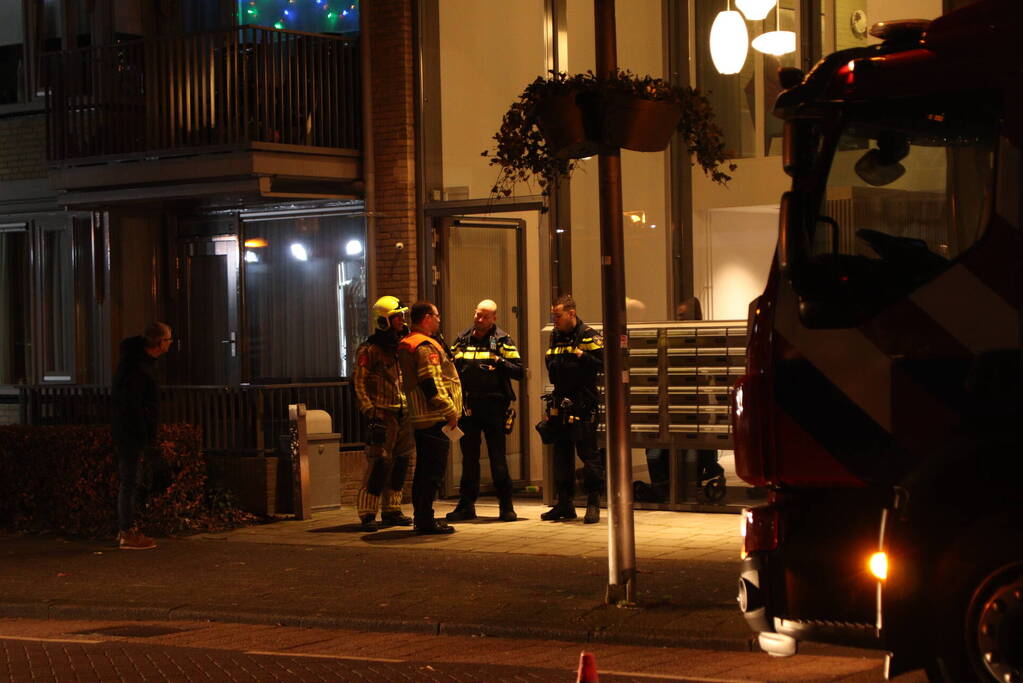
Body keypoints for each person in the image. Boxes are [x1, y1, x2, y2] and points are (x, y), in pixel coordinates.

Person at [446, 299, 523, 523]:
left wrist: (499, 361)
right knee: (469, 458)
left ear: (494, 318)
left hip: (494, 406)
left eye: (485, 316)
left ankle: (506, 506)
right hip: (468, 406)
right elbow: (448, 366)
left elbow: (518, 370)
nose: (479, 320)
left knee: (498, 457)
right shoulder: (462, 339)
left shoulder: (502, 340)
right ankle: (466, 505)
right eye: (477, 315)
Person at [397, 301, 463, 535]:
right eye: (436, 315)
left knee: (425, 470)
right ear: (426, 317)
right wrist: (450, 410)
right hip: (433, 417)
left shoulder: (410, 344)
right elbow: (431, 383)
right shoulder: (424, 346)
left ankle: (422, 518)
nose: (439, 319)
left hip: (423, 417)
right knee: (431, 472)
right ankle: (425, 520)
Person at [353, 296, 415, 532]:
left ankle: (393, 510)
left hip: (404, 412)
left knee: (401, 463)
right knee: (379, 463)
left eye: (402, 316)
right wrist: (370, 410)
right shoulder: (370, 349)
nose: (401, 321)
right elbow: (358, 382)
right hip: (382, 414)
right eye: (396, 317)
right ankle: (368, 513)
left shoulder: (403, 346)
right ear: (384, 321)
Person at [542, 294, 604, 524]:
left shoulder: (588, 335)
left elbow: (604, 362)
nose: (554, 320)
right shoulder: (555, 336)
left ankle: (593, 503)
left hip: (583, 403)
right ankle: (564, 504)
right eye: (553, 316)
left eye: (557, 316)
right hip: (561, 402)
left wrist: (581, 355)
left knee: (588, 455)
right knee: (561, 455)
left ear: (571, 314)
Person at [111, 321, 173, 550]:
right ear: (158, 342)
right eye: (168, 340)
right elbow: (134, 405)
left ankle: (127, 529)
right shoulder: (138, 367)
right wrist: (145, 434)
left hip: (130, 430)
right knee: (130, 480)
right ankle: (127, 532)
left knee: (132, 480)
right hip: (131, 433)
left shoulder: (137, 363)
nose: (170, 344)